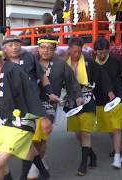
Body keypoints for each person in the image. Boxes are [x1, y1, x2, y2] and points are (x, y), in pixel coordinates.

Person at [0, 40, 51, 180]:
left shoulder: (12, 70)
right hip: (7, 121)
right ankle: (43, 172)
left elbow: (30, 93)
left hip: (22, 120)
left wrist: (43, 118)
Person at [25, 35, 83, 180]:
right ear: (38, 49)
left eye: (50, 48)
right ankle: (40, 161)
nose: (46, 51)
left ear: (55, 50)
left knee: (41, 137)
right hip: (31, 103)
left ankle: (34, 167)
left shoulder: (61, 64)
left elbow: (72, 82)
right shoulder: (30, 63)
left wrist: (77, 96)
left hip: (50, 104)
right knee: (32, 137)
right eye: (43, 48)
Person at [2, 35, 59, 180]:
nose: (15, 47)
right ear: (4, 49)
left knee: (36, 139)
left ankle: (29, 172)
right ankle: (39, 169)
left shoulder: (29, 58)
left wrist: (50, 93)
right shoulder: (2, 62)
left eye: (17, 44)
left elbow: (43, 76)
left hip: (33, 104)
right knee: (23, 141)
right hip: (14, 108)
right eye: (11, 44)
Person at [66, 37, 115, 176]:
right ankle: (92, 155)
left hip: (87, 98)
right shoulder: (64, 63)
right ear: (69, 49)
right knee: (77, 133)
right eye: (74, 51)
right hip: (72, 100)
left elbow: (102, 75)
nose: (77, 54)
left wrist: (109, 90)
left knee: (85, 132)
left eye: (79, 51)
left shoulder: (88, 62)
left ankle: (83, 164)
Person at [94, 37, 122, 169]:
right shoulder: (92, 62)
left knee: (116, 128)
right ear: (96, 51)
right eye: (100, 52)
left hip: (117, 98)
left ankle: (117, 157)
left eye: (105, 51)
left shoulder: (115, 60)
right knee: (110, 130)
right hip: (100, 100)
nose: (102, 54)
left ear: (108, 49)